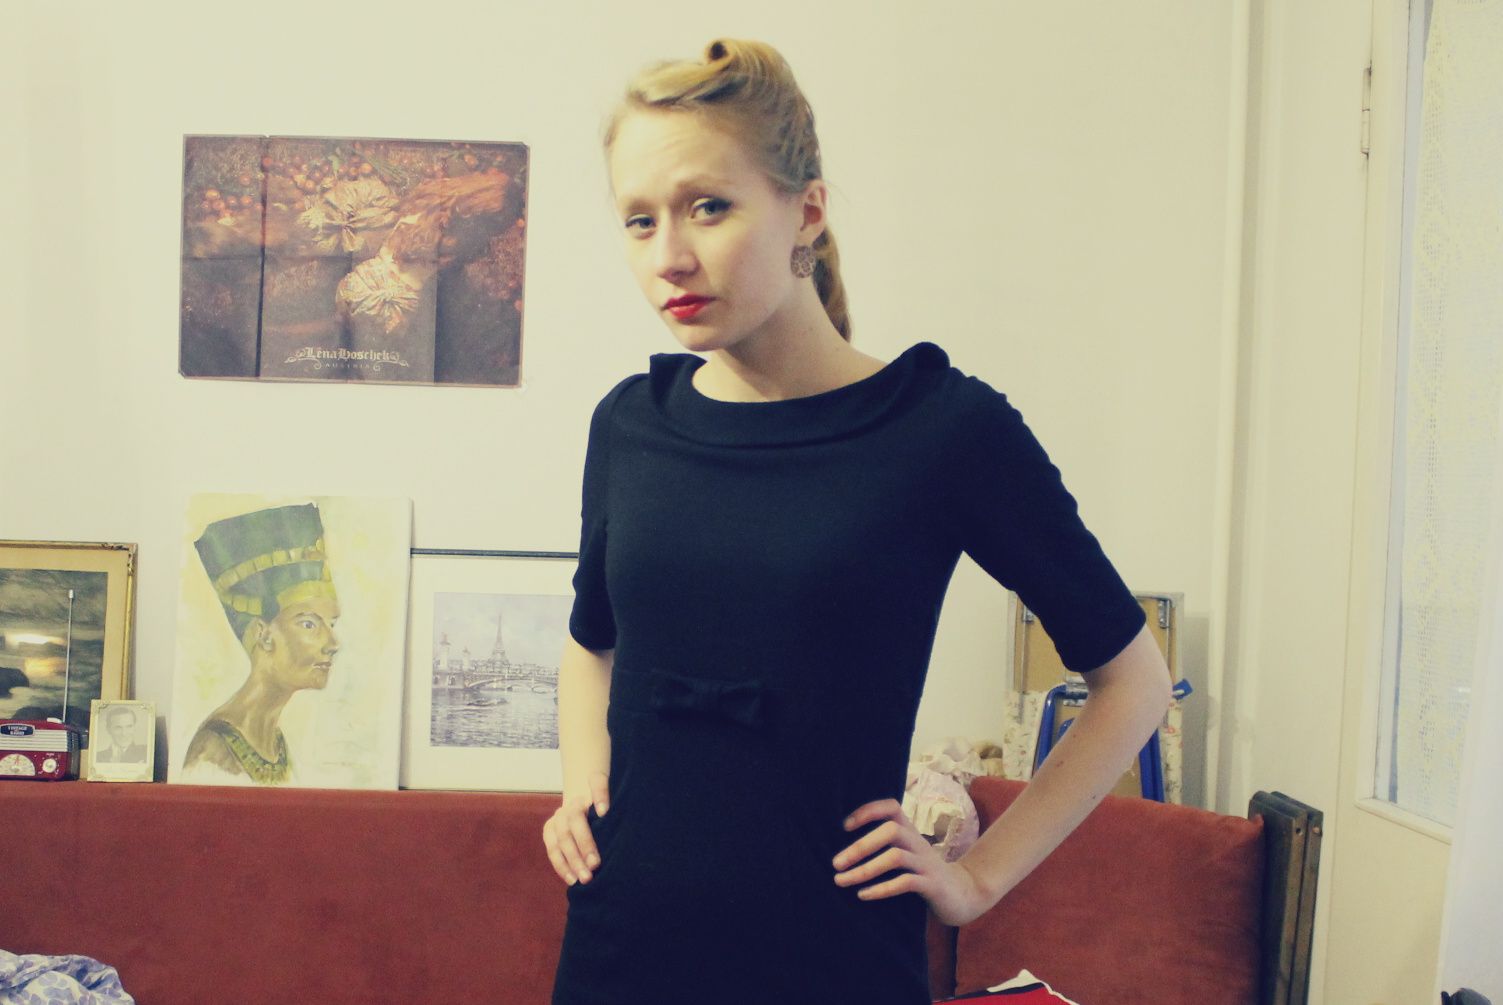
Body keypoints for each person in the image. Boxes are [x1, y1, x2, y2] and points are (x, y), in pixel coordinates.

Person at [542, 38, 1174, 1005]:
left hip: (830, 956)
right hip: (620, 948)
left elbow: (1133, 682)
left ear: (807, 210)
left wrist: (976, 880)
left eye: (708, 206)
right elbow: (592, 641)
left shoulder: (942, 429)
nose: (668, 255)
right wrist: (583, 786)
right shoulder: (630, 424)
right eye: (639, 219)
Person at [181, 503, 341, 784]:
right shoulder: (212, 753)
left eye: (331, 624)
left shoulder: (275, 742)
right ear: (264, 635)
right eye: (309, 624)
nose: (332, 643)